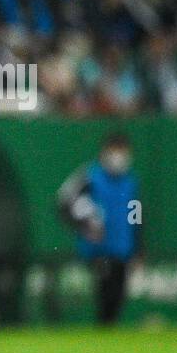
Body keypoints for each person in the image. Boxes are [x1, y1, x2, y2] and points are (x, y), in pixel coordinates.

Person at [57, 133, 142, 324]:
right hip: (99, 249)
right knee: (106, 292)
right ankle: (104, 328)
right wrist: (85, 226)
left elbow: (136, 216)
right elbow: (64, 204)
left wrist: (138, 248)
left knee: (118, 295)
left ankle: (108, 330)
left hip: (122, 249)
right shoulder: (90, 177)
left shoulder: (130, 182)